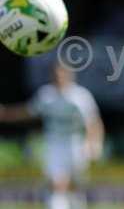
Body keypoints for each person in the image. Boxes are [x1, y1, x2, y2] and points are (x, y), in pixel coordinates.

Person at [0, 62, 104, 209]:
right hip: (54, 145)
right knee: (58, 184)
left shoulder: (81, 96)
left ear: (70, 76)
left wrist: (94, 143)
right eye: (56, 74)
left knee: (74, 187)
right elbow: (28, 112)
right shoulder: (46, 95)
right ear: (52, 76)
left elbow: (93, 122)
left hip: (75, 145)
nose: (59, 77)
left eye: (63, 74)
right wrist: (5, 114)